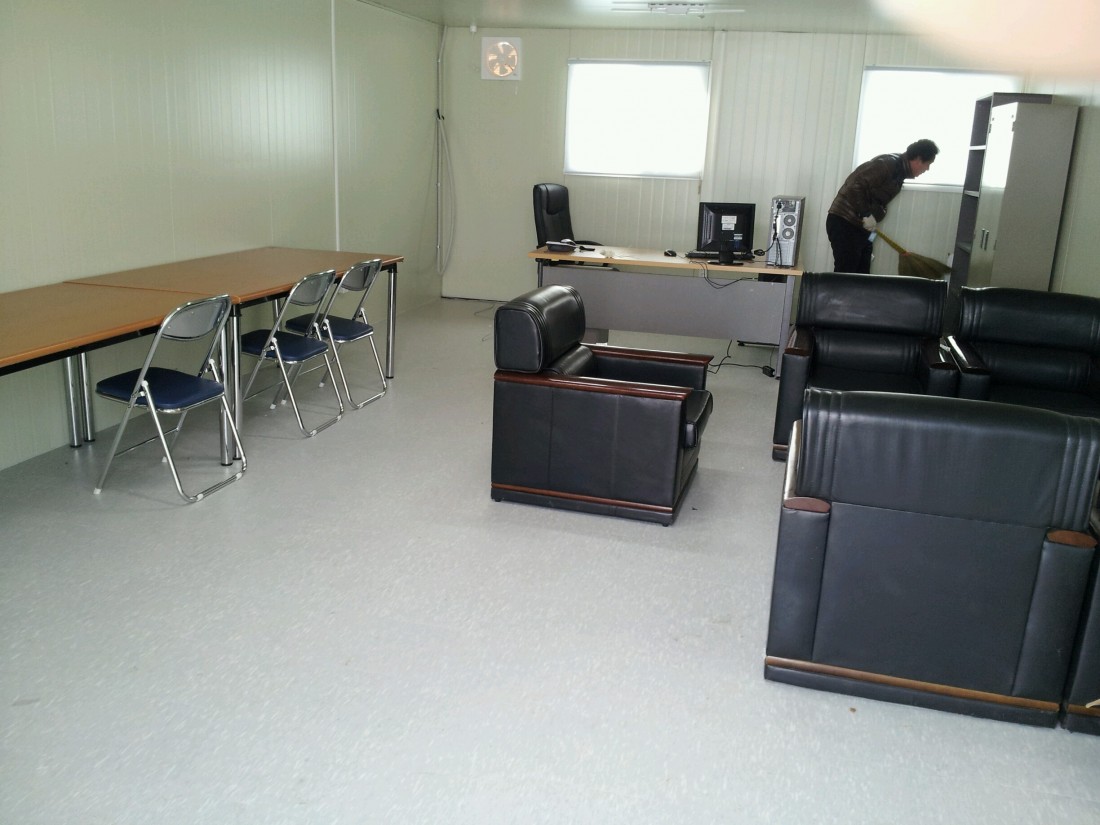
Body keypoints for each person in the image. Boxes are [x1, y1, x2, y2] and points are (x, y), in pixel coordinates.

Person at [826, 138, 939, 273]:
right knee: (846, 274)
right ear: (918, 159)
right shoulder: (887, 164)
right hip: (845, 222)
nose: (927, 169)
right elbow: (854, 185)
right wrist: (865, 213)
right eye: (928, 164)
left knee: (861, 276)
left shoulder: (899, 172)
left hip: (861, 228)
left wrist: (873, 219)